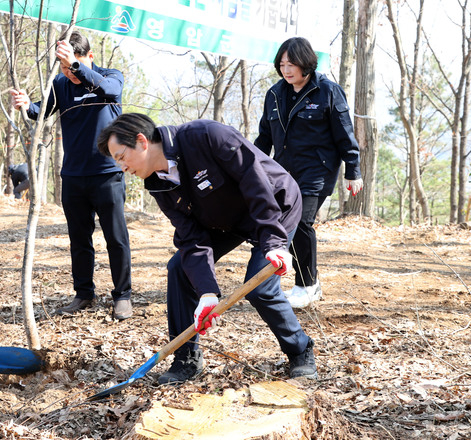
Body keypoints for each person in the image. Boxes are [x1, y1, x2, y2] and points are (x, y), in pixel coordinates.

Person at [97, 113, 317, 384]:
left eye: (121, 156)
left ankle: (300, 349)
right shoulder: (157, 184)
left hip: (274, 208)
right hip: (225, 221)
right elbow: (191, 238)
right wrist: (207, 292)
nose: (121, 167)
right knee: (180, 268)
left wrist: (273, 241)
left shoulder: (205, 136)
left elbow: (255, 182)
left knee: (260, 287)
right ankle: (186, 358)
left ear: (141, 141)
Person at [10, 31, 132, 320]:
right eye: (64, 68)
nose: (70, 73)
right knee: (79, 238)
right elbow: (43, 111)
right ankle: (84, 293)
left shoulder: (110, 76)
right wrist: (27, 105)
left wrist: (77, 68)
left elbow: (111, 92)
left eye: (74, 66)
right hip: (74, 175)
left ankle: (122, 295)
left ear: (89, 57)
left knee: (116, 237)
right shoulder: (61, 85)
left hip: (107, 173)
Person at [255, 37, 362, 309]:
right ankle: (297, 282)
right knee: (283, 223)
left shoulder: (327, 91)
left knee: (301, 222)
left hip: (318, 171)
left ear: (306, 63)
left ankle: (308, 284)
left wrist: (353, 170)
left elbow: (344, 133)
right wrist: (249, 165)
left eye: (291, 64)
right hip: (284, 171)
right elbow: (264, 137)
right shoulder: (275, 94)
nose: (286, 70)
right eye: (281, 64)